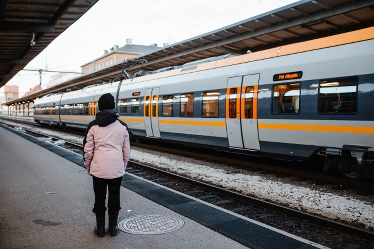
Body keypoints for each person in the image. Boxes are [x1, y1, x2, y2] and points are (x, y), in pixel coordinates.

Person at [83, 93, 130, 237]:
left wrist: (88, 166)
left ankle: (101, 229)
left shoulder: (93, 126)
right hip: (116, 169)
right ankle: (113, 228)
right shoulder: (122, 126)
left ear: (100, 107)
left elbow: (88, 150)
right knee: (114, 198)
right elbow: (126, 151)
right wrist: (122, 165)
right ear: (113, 106)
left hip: (98, 170)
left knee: (99, 198)